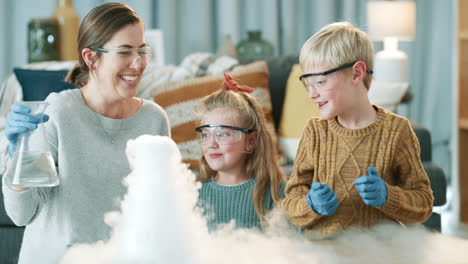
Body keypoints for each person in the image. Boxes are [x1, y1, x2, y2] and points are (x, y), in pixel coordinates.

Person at [2, 3, 170, 263]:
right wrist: (18, 159)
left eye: (142, 51)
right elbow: (22, 214)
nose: (138, 64)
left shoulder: (154, 119)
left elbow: (162, 211)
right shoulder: (57, 112)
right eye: (125, 52)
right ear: (91, 58)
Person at [282, 22, 434, 235]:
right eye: (307, 84)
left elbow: (424, 203)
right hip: (323, 250)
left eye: (320, 81)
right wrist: (311, 204)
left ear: (356, 74)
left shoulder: (397, 131)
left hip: (378, 250)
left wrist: (388, 196)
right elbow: (291, 203)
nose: (311, 94)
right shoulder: (315, 132)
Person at [196, 73, 286, 230]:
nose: (211, 144)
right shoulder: (193, 193)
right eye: (205, 134)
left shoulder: (277, 192)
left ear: (250, 141)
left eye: (222, 134)